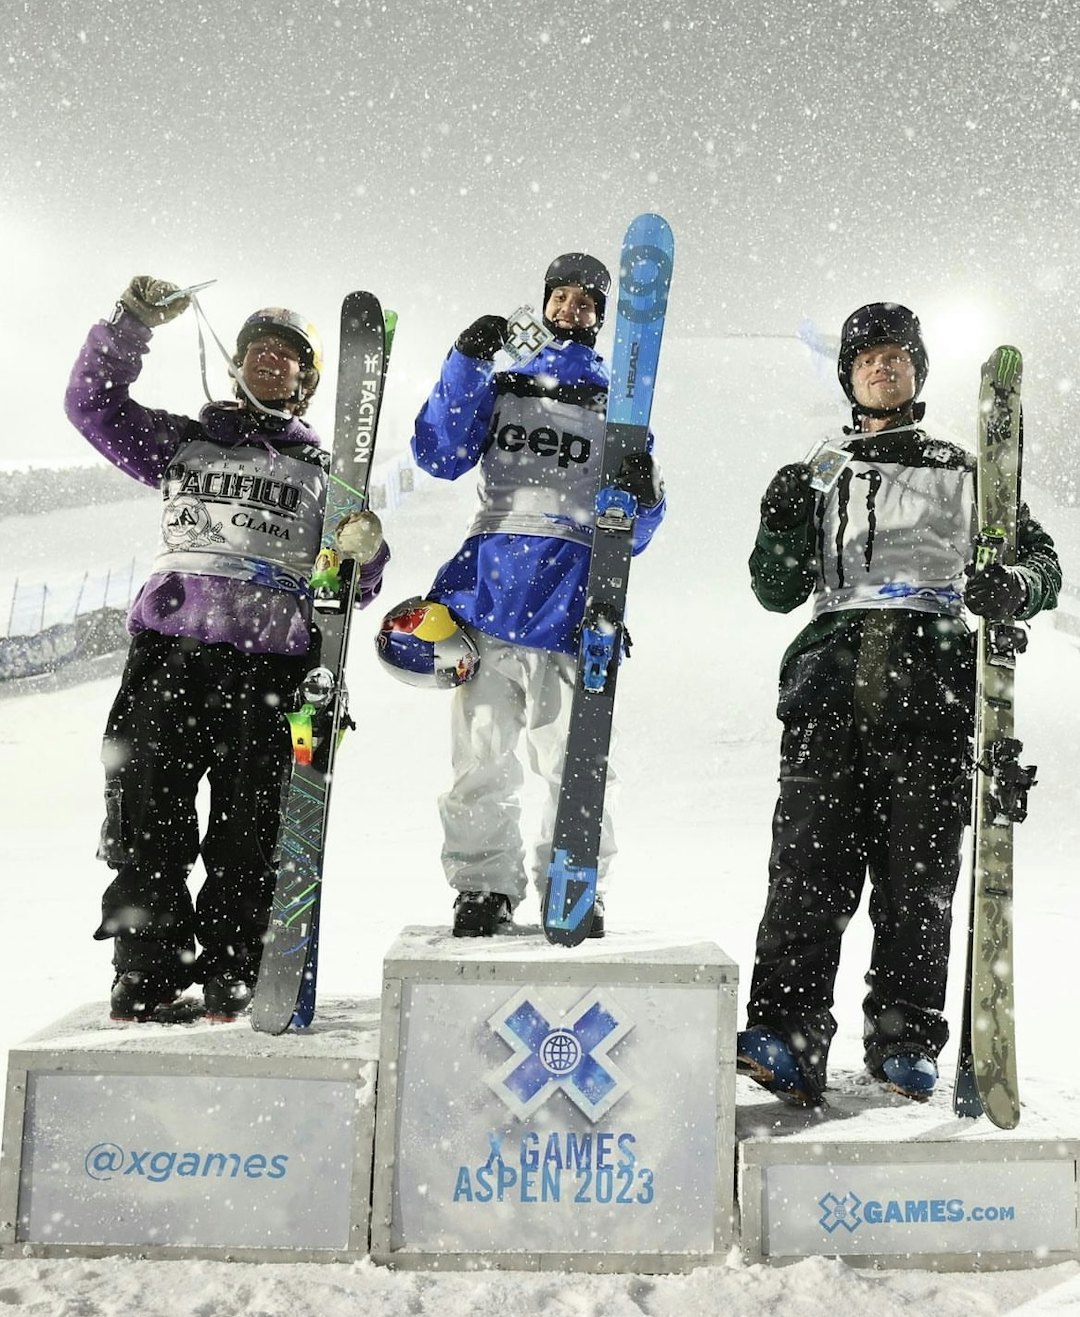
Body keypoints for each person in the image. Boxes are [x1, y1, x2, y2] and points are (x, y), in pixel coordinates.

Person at [737, 302, 1060, 1104]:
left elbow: (1043, 562)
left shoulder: (968, 469)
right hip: (829, 693)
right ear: (848, 377)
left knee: (917, 881)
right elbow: (775, 590)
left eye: (898, 357)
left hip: (933, 692)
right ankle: (785, 1032)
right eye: (868, 358)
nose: (883, 368)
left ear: (918, 371)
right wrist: (778, 519)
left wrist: (1011, 584)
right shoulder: (821, 471)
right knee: (807, 870)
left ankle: (905, 1036)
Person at [64, 276, 389, 1021]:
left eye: (287, 357)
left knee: (254, 834)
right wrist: (131, 322)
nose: (270, 363)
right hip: (169, 658)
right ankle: (146, 978)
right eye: (258, 351)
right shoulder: (183, 441)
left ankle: (235, 977)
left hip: (273, 668)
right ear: (235, 363)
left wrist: (364, 553)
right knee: (145, 819)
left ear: (307, 383)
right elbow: (92, 405)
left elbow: (353, 585)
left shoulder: (324, 475)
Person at [401, 253, 666, 937]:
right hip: (492, 590)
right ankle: (484, 884)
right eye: (563, 298)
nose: (572, 309)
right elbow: (439, 454)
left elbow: (634, 528)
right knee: (481, 757)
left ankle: (573, 881)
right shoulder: (505, 380)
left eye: (587, 303)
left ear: (602, 320)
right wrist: (466, 360)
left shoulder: (619, 400)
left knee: (577, 764)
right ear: (544, 302)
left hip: (577, 601)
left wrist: (645, 494)